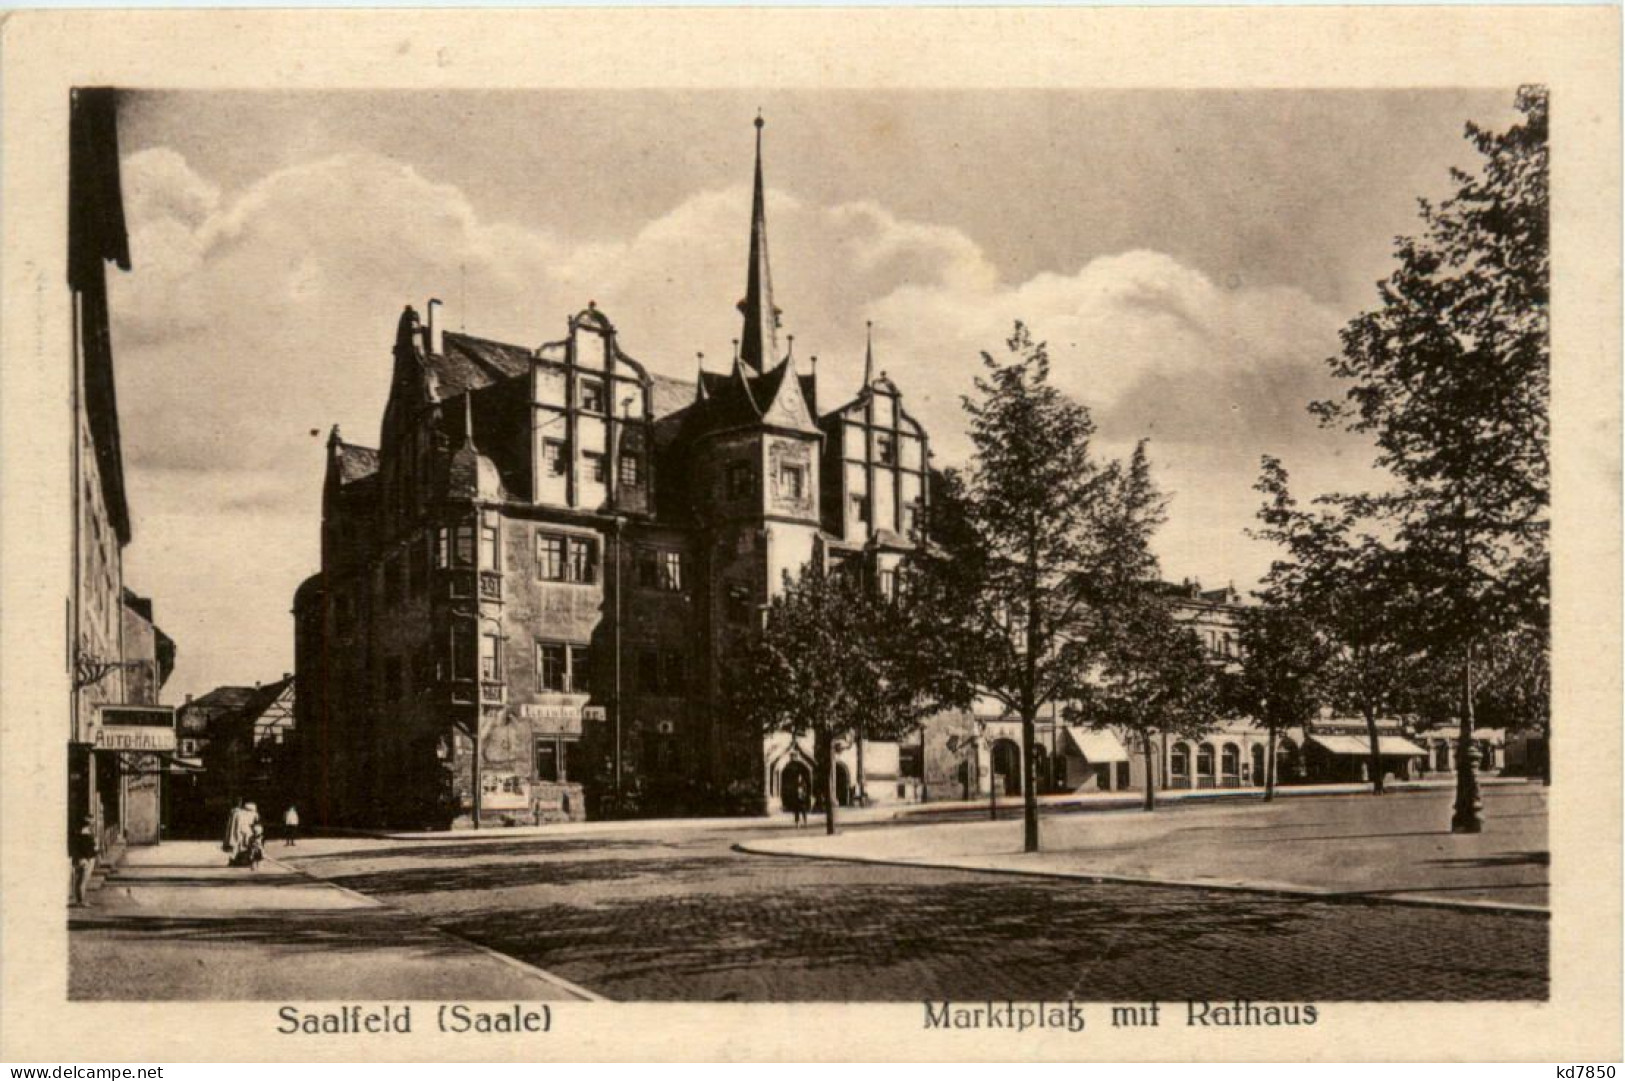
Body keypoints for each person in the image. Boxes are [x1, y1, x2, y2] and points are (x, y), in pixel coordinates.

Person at [69, 815, 97, 907]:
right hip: (84, 859)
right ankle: (81, 901)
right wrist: (94, 850)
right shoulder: (85, 834)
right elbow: (87, 849)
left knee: (79, 880)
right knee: (82, 880)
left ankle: (79, 900)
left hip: (79, 858)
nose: (93, 824)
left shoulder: (78, 832)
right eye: (92, 822)